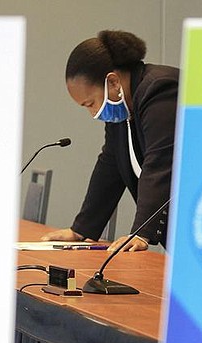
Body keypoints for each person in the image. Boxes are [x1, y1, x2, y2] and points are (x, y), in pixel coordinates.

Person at [41, 30, 177, 251]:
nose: (92, 113)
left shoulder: (160, 90)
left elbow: (161, 162)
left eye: (90, 103)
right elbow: (110, 164)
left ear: (113, 82)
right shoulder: (124, 108)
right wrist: (81, 229)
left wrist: (141, 233)